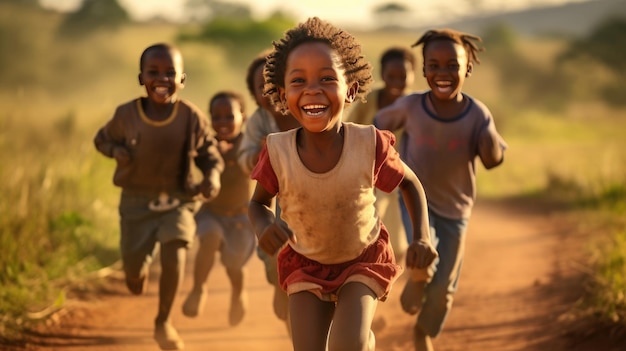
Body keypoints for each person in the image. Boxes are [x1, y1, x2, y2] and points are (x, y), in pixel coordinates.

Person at [248, 17, 438, 351]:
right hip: (304, 264)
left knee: (345, 346)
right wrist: (263, 226)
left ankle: (359, 340)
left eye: (326, 78)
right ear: (282, 94)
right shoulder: (277, 151)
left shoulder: (369, 143)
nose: (312, 89)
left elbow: (410, 184)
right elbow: (258, 202)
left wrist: (422, 237)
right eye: (298, 81)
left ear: (350, 89)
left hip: (360, 259)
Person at [374, 29, 508, 351]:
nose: (442, 73)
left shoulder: (478, 114)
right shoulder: (412, 106)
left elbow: (493, 159)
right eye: (434, 65)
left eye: (452, 65)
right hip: (416, 200)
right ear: (423, 71)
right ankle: (417, 279)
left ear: (467, 70)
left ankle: (424, 331)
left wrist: (490, 146)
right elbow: (378, 124)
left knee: (446, 285)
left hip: (457, 209)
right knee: (423, 248)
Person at [93, 43, 224, 351]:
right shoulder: (126, 115)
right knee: (134, 270)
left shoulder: (191, 117)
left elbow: (210, 154)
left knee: (176, 251)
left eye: (170, 72)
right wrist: (116, 150)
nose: (162, 79)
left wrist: (212, 177)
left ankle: (163, 321)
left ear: (182, 79)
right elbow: (102, 139)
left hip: (178, 199)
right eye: (154, 72)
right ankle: (136, 271)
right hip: (136, 202)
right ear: (141, 78)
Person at [237, 50, 300, 331]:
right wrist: (260, 155)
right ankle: (278, 285)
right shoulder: (259, 121)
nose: (269, 91)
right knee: (277, 254)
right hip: (277, 201)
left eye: (274, 82)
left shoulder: (306, 109)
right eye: (260, 88)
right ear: (253, 96)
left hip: (319, 198)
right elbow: (244, 157)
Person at [181, 91, 256, 327]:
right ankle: (198, 288)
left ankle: (237, 294)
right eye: (216, 116)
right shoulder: (207, 145)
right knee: (209, 237)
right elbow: (185, 166)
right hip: (212, 212)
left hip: (241, 217)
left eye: (228, 116)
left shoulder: (250, 145)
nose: (222, 122)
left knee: (234, 265)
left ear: (243, 117)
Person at [345, 46, 417, 261]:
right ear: (382, 74)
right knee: (367, 227)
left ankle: (387, 268)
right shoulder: (368, 100)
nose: (396, 82)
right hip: (367, 173)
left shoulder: (415, 105)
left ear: (413, 74)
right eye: (391, 76)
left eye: (403, 76)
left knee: (398, 239)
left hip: (401, 176)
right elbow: (348, 129)